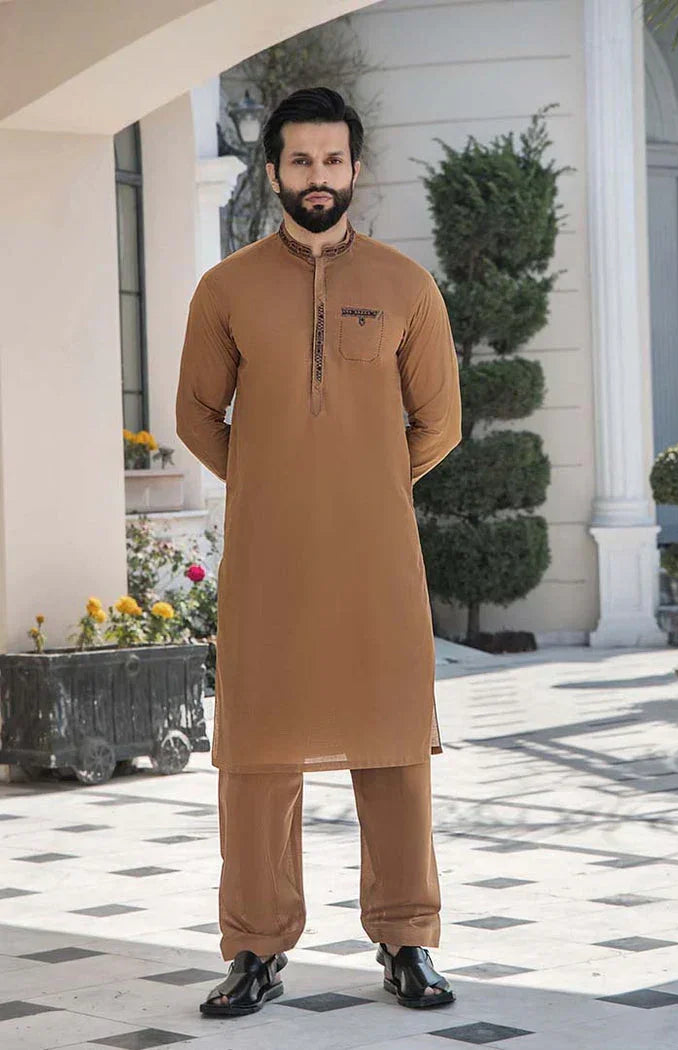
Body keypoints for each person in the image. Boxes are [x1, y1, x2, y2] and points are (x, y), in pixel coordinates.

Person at [175, 86, 462, 1018]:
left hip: (379, 564)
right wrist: (269, 486)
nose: (318, 179)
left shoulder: (405, 287)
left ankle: (407, 940)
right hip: (268, 566)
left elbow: (441, 422)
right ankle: (254, 950)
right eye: (300, 162)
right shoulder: (225, 290)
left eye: (332, 161)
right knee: (255, 760)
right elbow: (193, 414)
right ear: (273, 173)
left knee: (395, 754)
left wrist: (366, 487)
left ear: (355, 169)